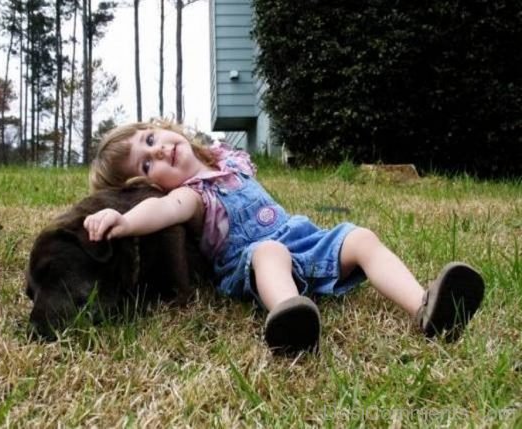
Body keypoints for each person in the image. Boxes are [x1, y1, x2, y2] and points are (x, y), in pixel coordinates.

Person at [84, 118, 485, 354]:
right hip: (255, 262)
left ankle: (426, 308)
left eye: (151, 140)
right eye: (147, 164)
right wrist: (124, 220)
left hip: (303, 239)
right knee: (270, 251)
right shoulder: (190, 197)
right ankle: (292, 315)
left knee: (361, 237)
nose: (159, 152)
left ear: (163, 127)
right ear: (152, 186)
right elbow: (160, 211)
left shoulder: (229, 160)